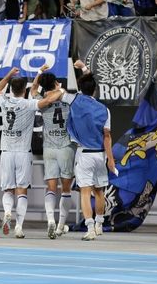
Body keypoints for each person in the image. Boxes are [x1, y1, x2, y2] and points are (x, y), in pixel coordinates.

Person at [50, 61, 116, 241]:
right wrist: (111, 160)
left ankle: (89, 228)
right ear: (94, 90)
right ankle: (100, 224)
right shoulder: (105, 109)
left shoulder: (74, 100)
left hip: (84, 154)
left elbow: (58, 95)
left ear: (80, 88)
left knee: (86, 192)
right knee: (100, 192)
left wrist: (56, 88)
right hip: (100, 154)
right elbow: (107, 137)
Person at [0, 67, 57, 239]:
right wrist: (56, 88)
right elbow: (46, 101)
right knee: (22, 191)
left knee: (8, 190)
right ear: (24, 90)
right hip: (23, 152)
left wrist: (8, 75)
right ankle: (19, 226)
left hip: (6, 151)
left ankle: (7, 212)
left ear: (12, 89)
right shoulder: (28, 104)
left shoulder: (4, 101)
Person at [31, 68, 76, 238]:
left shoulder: (42, 101)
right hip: (66, 147)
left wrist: (38, 72)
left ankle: (50, 219)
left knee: (51, 187)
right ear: (56, 83)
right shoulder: (67, 100)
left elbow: (33, 90)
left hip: (49, 147)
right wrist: (60, 90)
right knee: (65, 189)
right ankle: (60, 225)